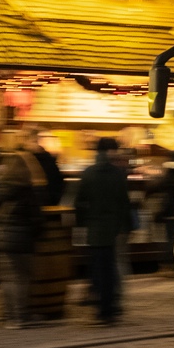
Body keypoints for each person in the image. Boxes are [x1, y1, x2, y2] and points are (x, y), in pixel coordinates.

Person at [74, 137, 134, 325]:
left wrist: (83, 222)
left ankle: (101, 307)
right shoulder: (116, 174)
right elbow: (124, 202)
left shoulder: (88, 173)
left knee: (97, 268)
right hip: (113, 228)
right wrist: (126, 226)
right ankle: (109, 308)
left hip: (94, 228)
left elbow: (79, 202)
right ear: (109, 152)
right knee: (110, 269)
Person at [0, 150, 45, 329]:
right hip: (20, 239)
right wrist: (36, 235)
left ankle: (10, 316)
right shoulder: (26, 191)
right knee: (20, 278)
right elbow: (36, 219)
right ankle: (19, 317)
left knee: (6, 279)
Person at [21, 127, 64, 206]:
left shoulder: (24, 160)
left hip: (35, 207)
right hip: (44, 205)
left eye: (34, 141)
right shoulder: (48, 159)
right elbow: (59, 184)